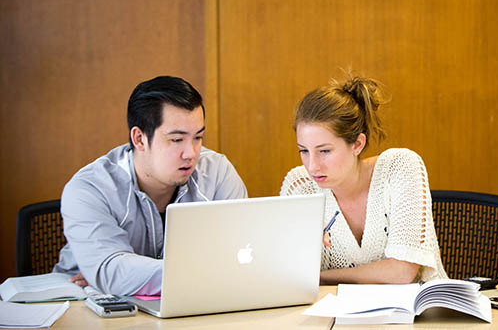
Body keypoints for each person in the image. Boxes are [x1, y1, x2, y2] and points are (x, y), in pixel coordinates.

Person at [53, 76, 247, 295]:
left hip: (187, 303)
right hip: (84, 306)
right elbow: (112, 272)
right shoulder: (89, 189)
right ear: (139, 139)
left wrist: (133, 279)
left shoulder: (217, 172)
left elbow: (242, 254)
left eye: (198, 137)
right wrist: (114, 277)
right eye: (176, 140)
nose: (191, 153)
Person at [280, 75, 447, 285]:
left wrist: (321, 277)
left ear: (357, 144)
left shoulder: (400, 166)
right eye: (304, 151)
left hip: (416, 313)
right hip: (333, 315)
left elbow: (402, 272)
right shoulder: (300, 186)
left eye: (324, 151)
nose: (312, 166)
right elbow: (288, 273)